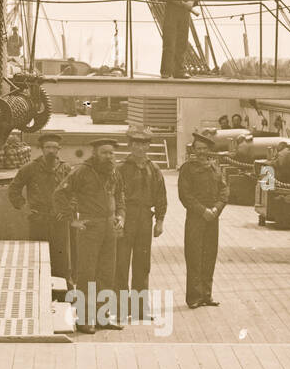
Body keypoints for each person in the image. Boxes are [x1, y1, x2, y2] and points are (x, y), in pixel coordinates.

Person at [56, 140, 126, 333]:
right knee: (87, 274)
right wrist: (72, 220)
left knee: (107, 274)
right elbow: (60, 194)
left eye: (111, 153)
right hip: (90, 227)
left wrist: (120, 215)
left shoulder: (114, 172)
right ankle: (84, 319)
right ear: (95, 153)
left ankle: (103, 318)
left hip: (109, 228)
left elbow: (120, 196)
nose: (109, 157)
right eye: (104, 153)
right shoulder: (82, 172)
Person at [115, 128, 168, 321]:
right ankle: (120, 309)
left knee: (142, 265)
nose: (139, 147)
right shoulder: (119, 169)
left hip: (145, 219)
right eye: (135, 143)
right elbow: (113, 195)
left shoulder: (153, 169)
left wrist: (159, 221)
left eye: (143, 144)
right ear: (130, 145)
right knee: (120, 264)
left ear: (148, 146)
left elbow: (161, 197)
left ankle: (139, 309)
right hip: (125, 218)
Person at [9, 130, 72, 284]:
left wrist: (67, 210)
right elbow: (14, 189)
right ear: (42, 149)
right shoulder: (30, 168)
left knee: (61, 257)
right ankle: (38, 288)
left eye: (54, 148)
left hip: (59, 220)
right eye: (48, 147)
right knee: (38, 257)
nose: (51, 151)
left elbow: (75, 193)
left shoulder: (65, 169)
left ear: (59, 150)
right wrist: (24, 207)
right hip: (38, 220)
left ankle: (63, 291)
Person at [178, 128, 228, 308]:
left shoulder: (215, 167)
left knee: (209, 255)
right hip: (196, 219)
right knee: (194, 256)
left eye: (204, 149)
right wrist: (203, 211)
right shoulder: (187, 169)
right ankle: (194, 297)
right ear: (193, 149)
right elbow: (185, 195)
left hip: (213, 218)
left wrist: (216, 208)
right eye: (198, 148)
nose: (201, 152)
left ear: (208, 150)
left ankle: (207, 295)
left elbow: (224, 190)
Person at [156, 0, 198, 79]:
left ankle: (179, 71)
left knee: (182, 42)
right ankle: (166, 71)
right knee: (169, 42)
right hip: (171, 13)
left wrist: (191, 2)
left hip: (185, 14)